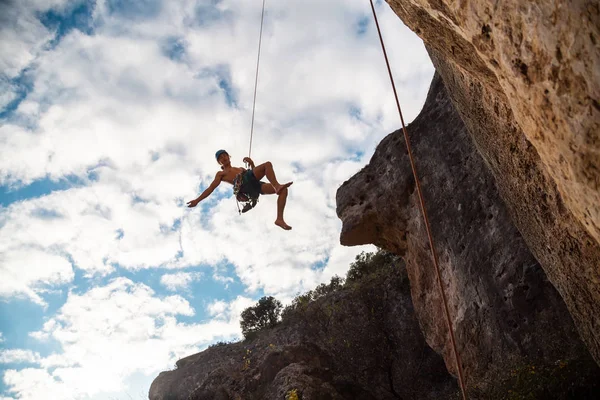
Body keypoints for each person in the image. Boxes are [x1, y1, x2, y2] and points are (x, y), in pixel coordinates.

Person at [187, 150, 293, 230]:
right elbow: (211, 188)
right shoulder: (221, 174)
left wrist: (251, 163)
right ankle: (276, 186)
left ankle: (279, 219)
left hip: (254, 185)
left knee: (284, 190)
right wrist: (197, 200)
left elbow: (255, 175)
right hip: (244, 185)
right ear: (219, 162)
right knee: (267, 164)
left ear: (229, 156)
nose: (223, 157)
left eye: (225, 155)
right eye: (220, 158)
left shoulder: (240, 169)